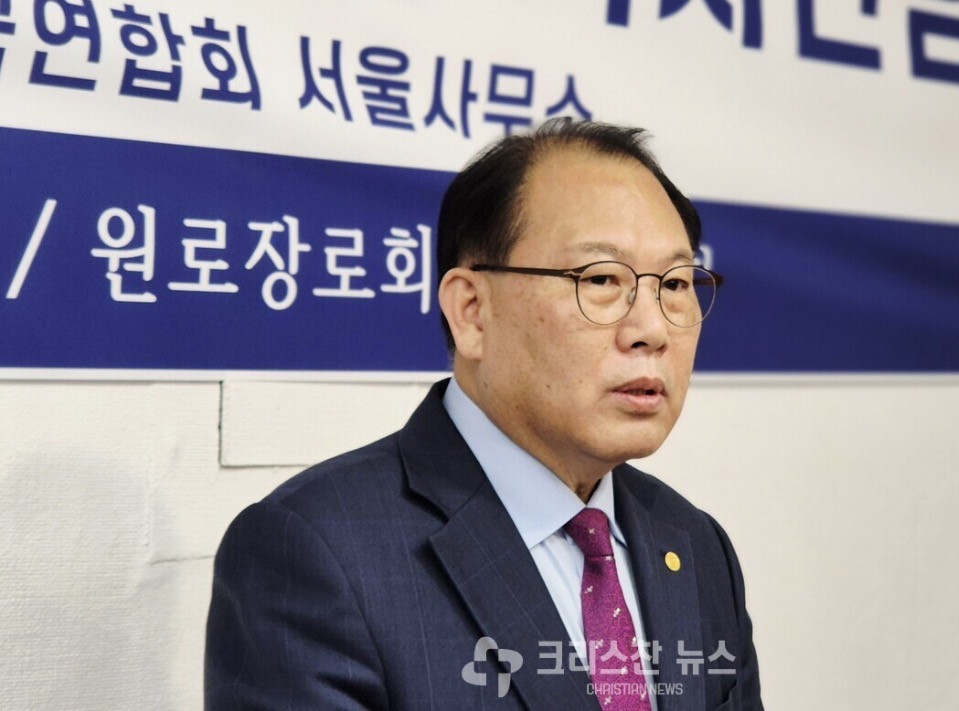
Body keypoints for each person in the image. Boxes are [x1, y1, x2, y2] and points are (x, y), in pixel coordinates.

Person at [205, 118, 762, 709]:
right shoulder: (316, 553)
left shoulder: (694, 542)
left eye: (675, 284)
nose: (652, 328)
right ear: (471, 310)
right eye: (601, 278)